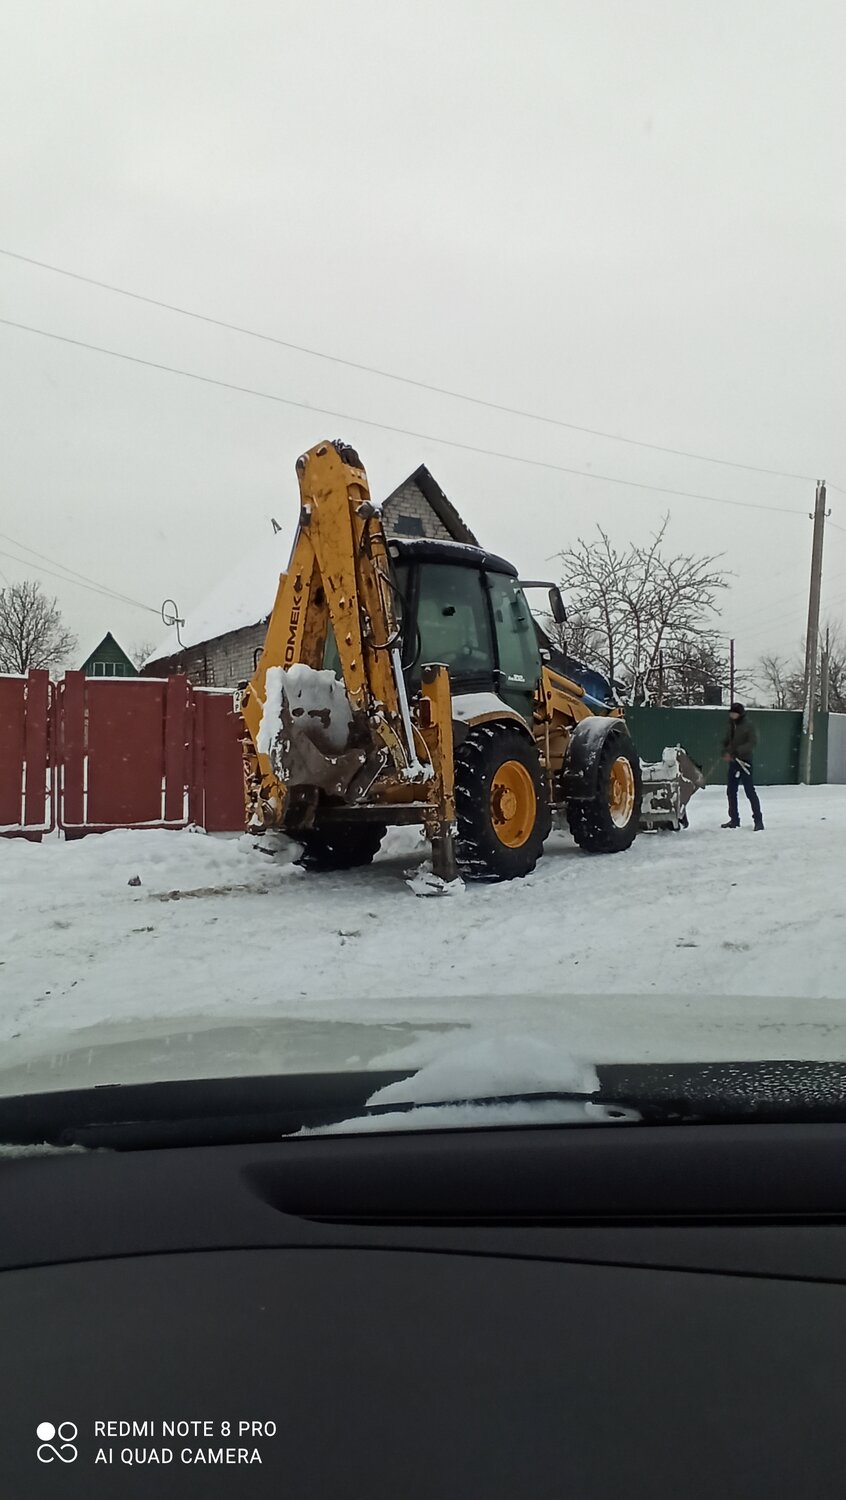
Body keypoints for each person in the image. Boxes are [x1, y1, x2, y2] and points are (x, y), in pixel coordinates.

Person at [721, 702, 764, 831]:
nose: (732, 715)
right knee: (731, 791)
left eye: (735, 713)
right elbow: (726, 741)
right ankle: (734, 819)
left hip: (745, 761)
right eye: (731, 713)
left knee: (749, 791)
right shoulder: (731, 725)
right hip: (733, 762)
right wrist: (725, 751)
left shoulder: (748, 726)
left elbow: (752, 743)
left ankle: (758, 820)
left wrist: (738, 751)